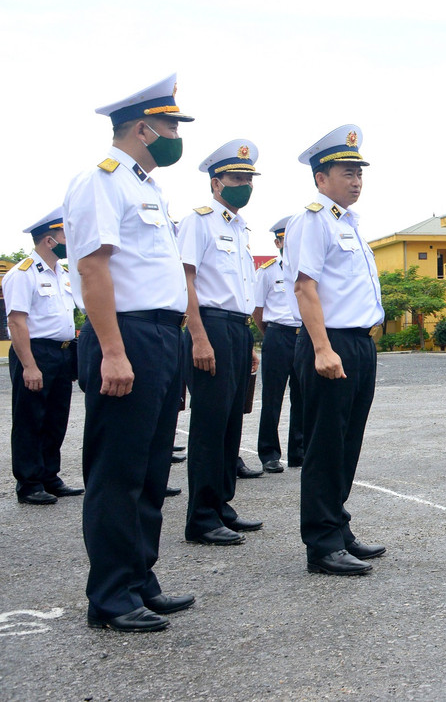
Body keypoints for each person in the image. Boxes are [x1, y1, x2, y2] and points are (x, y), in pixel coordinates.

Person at [64, 73, 195, 631]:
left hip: (162, 336)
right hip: (127, 335)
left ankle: (141, 578)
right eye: (168, 125)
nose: (174, 134)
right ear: (143, 128)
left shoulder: (148, 189)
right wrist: (114, 352)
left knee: (149, 467)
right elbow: (93, 268)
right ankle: (112, 596)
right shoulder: (103, 182)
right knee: (117, 470)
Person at [285, 124, 387, 577]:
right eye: (347, 171)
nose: (356, 180)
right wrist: (323, 349)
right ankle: (322, 544)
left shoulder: (350, 224)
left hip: (358, 344)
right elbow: (305, 287)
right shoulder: (311, 220)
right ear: (320, 178)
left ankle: (338, 527)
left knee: (348, 442)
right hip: (331, 344)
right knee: (326, 445)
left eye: (359, 172)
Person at [179, 140, 264, 546]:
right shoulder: (199, 221)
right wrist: (198, 335)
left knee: (231, 423)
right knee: (210, 424)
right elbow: (187, 280)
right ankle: (201, 517)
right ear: (216, 184)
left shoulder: (239, 227)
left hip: (235, 328)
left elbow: (241, 289)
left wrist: (247, 339)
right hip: (208, 325)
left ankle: (222, 506)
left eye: (248, 178)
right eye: (236, 178)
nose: (244, 184)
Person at [4, 207, 81, 505]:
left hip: (61, 353)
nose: (70, 239)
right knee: (30, 418)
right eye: (65, 234)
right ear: (49, 240)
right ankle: (29, 483)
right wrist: (29, 366)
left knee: (55, 417)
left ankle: (50, 475)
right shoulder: (23, 274)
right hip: (35, 352)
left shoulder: (61, 273)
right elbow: (16, 322)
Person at [253, 216, 304, 472]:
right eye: (285, 240)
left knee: (302, 395)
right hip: (277, 336)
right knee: (272, 397)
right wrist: (270, 333)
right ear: (277, 242)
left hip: (302, 336)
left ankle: (299, 451)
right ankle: (269, 454)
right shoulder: (267, 271)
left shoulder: (305, 267)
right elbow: (257, 309)